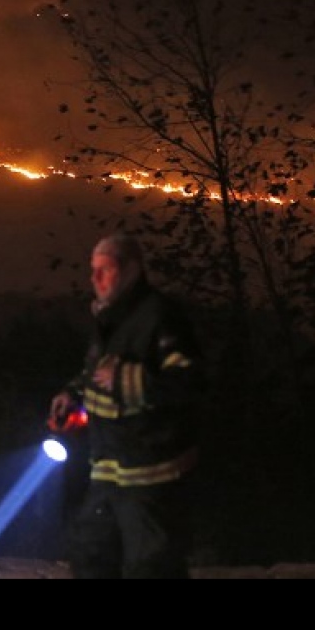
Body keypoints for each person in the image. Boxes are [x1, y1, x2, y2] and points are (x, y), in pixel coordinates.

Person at [48, 233, 205, 578]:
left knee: (151, 566)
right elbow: (98, 372)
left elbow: (189, 381)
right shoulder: (114, 317)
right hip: (110, 467)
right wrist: (72, 394)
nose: (95, 278)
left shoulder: (160, 316)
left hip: (151, 475)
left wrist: (128, 380)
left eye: (105, 269)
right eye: (93, 270)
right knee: (89, 554)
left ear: (132, 270)